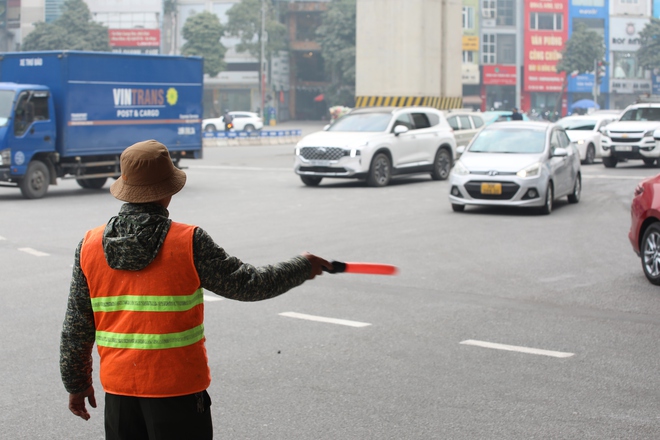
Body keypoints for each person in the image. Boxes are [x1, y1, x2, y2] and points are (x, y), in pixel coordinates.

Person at [60, 139, 332, 439]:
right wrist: (302, 266)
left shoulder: (89, 246)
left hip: (120, 394)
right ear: (167, 192)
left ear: (125, 188)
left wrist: (76, 383)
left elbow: (76, 326)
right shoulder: (188, 242)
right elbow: (250, 285)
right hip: (178, 392)